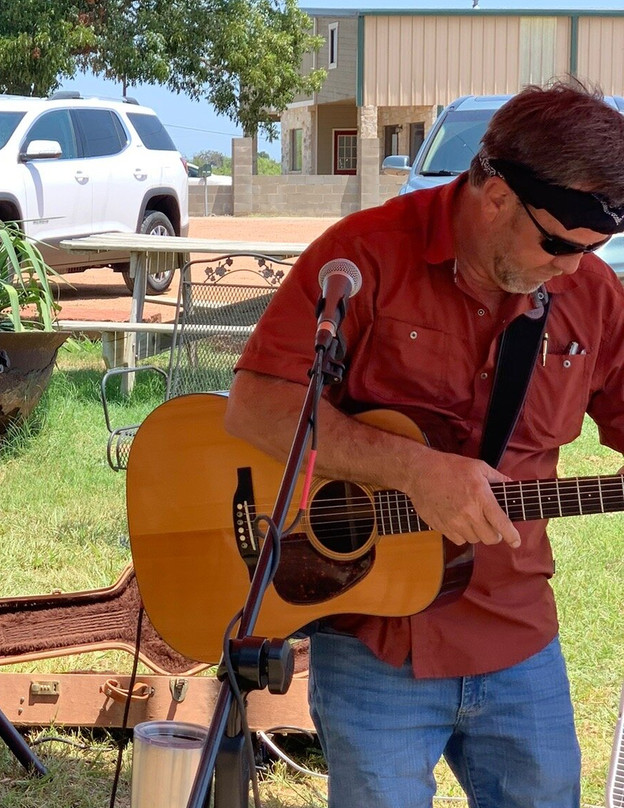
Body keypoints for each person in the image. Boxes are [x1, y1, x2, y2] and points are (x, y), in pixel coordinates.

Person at [226, 78, 624, 808]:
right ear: (495, 196)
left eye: (594, 248)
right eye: (559, 244)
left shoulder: (591, 293)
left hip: (514, 628)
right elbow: (258, 406)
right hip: (375, 635)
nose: (573, 267)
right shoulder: (363, 256)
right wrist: (414, 470)